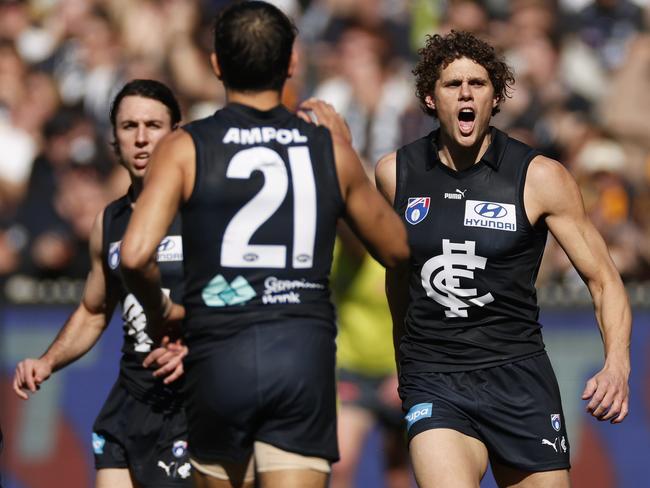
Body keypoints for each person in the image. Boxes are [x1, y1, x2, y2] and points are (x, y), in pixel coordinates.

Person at [118, 2, 409, 488]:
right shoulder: (328, 150)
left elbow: (133, 255)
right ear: (292, 63)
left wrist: (162, 312)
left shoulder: (184, 147)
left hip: (217, 356)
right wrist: (347, 151)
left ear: (215, 65)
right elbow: (397, 249)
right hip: (300, 357)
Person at [375, 31, 631, 488]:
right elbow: (399, 276)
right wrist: (404, 357)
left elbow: (605, 281)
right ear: (431, 99)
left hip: (519, 378)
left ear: (496, 98)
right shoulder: (396, 173)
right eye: (453, 85)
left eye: (479, 83)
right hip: (435, 377)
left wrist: (616, 364)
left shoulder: (541, 178)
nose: (466, 93)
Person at [13, 79, 192, 488]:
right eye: (129, 127)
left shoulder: (205, 213)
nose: (142, 139)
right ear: (114, 140)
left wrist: (198, 345)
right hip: (129, 402)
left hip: (191, 405)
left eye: (154, 125)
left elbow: (245, 298)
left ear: (176, 134)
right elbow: (94, 310)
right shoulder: (108, 222)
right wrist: (48, 361)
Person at [330, 228, 410, 488]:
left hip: (396, 373)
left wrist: (404, 372)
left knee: (397, 467)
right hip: (351, 372)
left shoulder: (394, 255)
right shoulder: (332, 255)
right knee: (341, 463)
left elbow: (419, 317)